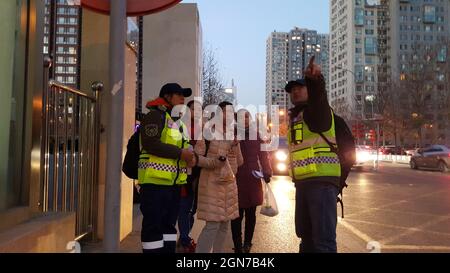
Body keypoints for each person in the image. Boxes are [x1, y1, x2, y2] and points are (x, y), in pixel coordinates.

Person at [285, 56, 341, 253]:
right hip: (304, 184)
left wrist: (315, 81)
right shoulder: (296, 117)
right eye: (292, 89)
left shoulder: (318, 112)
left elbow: (318, 99)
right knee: (306, 238)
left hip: (322, 183)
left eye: (300, 87)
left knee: (323, 242)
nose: (295, 91)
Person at [138, 83, 196, 253]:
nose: (183, 99)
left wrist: (191, 158)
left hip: (173, 186)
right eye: (179, 95)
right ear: (167, 97)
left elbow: (187, 149)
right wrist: (181, 154)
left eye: (184, 96)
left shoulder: (179, 124)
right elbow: (151, 144)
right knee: (153, 229)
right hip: (154, 185)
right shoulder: (155, 116)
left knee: (169, 228)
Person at [195, 102, 244, 253]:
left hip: (228, 183)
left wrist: (234, 146)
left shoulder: (232, 133)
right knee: (212, 225)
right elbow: (196, 158)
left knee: (224, 225)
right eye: (224, 111)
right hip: (211, 182)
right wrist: (216, 162)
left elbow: (240, 162)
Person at [231, 109, 272, 253]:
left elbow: (264, 155)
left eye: (247, 116)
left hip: (253, 178)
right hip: (236, 178)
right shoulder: (232, 134)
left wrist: (267, 171)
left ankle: (247, 243)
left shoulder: (257, 135)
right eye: (241, 117)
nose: (245, 119)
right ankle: (237, 245)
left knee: (251, 213)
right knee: (236, 214)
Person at [177, 100, 203, 253]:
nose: (197, 112)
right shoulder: (181, 125)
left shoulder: (204, 128)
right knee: (185, 207)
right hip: (184, 172)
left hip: (199, 172)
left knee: (193, 208)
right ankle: (185, 239)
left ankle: (184, 237)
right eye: (194, 109)